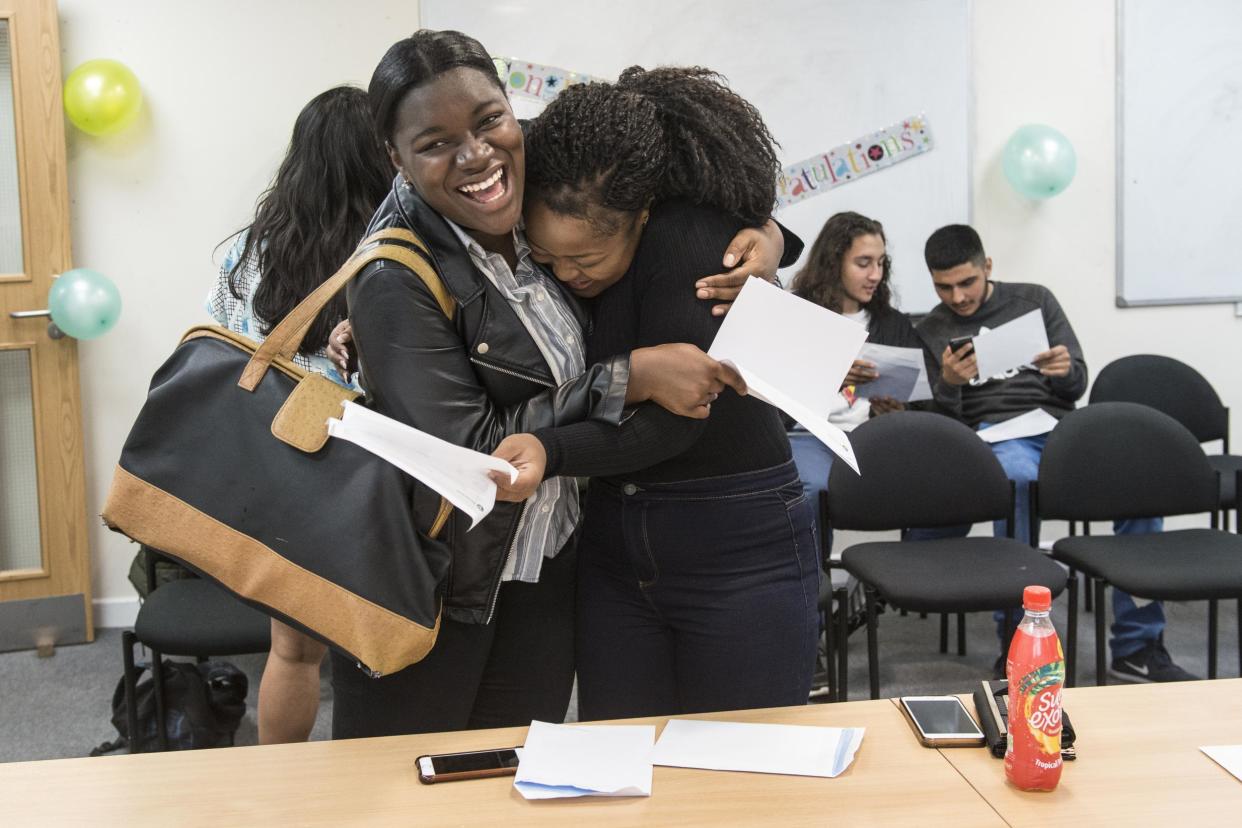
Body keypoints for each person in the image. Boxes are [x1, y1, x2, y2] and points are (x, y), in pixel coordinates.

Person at [330, 30, 796, 738]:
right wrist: (629, 378)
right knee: (421, 786)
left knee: (538, 772)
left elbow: (680, 173)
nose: (476, 154)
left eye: (489, 121)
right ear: (396, 157)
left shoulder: (539, 171)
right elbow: (476, 452)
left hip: (559, 562)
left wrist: (768, 233)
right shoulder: (399, 270)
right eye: (434, 143)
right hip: (451, 582)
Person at [491, 65, 819, 720]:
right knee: (622, 760)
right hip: (616, 534)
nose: (566, 275)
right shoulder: (560, 197)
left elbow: (675, 424)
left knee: (740, 772)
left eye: (584, 260)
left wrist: (548, 450)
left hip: (733, 535)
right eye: (549, 259)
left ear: (640, 214)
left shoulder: (689, 239)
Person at [913, 224, 1195, 683]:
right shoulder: (930, 330)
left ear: (988, 267)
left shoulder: (1035, 299)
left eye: (967, 282)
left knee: (1138, 482)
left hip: (1060, 428)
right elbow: (943, 426)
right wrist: (951, 385)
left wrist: (1064, 372)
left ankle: (1139, 645)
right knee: (1018, 479)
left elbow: (1077, 382)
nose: (958, 297)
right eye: (944, 287)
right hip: (995, 436)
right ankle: (1019, 639)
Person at [207, 85, 392, 743]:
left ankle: (280, 800)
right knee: (390, 654)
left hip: (285, 473)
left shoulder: (245, 255)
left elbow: (223, 362)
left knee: (292, 652)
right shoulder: (399, 251)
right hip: (381, 476)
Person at [785, 211, 936, 551]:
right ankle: (815, 587)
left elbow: (922, 399)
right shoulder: (796, 316)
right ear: (834, 262)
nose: (875, 275)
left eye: (881, 263)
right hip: (809, 435)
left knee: (941, 483)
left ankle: (905, 577)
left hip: (873, 437)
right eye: (864, 263)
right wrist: (828, 378)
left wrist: (896, 410)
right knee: (810, 490)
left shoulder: (892, 322)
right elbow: (772, 403)